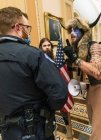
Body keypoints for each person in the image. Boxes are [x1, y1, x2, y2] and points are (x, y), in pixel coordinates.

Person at [0, 7, 68, 140]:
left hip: (7, 131)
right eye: (27, 27)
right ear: (18, 27)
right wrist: (45, 110)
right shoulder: (33, 55)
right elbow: (59, 94)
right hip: (34, 129)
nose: (28, 32)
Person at [62, 15, 101, 140]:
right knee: (94, 122)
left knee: (98, 129)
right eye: (71, 30)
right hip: (91, 89)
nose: (72, 33)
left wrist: (75, 59)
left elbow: (95, 71)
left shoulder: (94, 46)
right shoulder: (79, 49)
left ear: (84, 32)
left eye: (76, 29)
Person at [39, 37, 73, 138]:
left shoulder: (57, 60)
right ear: (41, 47)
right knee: (49, 115)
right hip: (45, 93)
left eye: (48, 45)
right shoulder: (38, 60)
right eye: (44, 46)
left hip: (57, 92)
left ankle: (69, 130)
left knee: (64, 112)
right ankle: (53, 132)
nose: (47, 47)